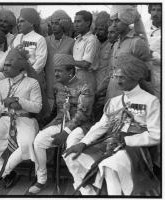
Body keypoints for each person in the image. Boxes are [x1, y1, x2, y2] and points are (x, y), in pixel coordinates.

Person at [63, 53, 160, 196]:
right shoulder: (115, 101)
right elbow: (102, 125)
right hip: (112, 142)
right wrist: (83, 143)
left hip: (136, 148)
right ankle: (89, 193)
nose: (118, 81)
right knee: (72, 156)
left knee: (109, 166)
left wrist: (126, 140)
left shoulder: (150, 101)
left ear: (135, 77)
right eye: (116, 76)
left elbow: (156, 135)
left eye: (123, 77)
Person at [0, 48, 42, 190]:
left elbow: (37, 107)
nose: (5, 68)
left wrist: (19, 100)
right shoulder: (1, 84)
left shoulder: (32, 83)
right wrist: (6, 103)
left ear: (19, 67)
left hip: (25, 121)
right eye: (5, 65)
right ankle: (7, 172)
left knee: (27, 143)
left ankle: (2, 172)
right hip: (4, 120)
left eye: (9, 65)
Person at [29, 54, 94, 194]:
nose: (56, 73)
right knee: (39, 141)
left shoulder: (85, 87)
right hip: (60, 122)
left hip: (80, 125)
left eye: (59, 71)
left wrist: (66, 132)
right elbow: (56, 111)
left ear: (70, 72)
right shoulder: (57, 86)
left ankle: (82, 182)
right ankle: (41, 180)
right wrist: (45, 123)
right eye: (55, 71)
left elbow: (83, 114)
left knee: (71, 143)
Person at [107, 5, 154, 100]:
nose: (113, 25)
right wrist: (99, 90)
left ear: (127, 19)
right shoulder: (116, 43)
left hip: (130, 97)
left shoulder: (137, 42)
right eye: (112, 21)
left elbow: (147, 73)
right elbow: (112, 72)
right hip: (112, 94)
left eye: (117, 20)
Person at [45, 10, 75, 109]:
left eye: (56, 23)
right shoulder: (46, 41)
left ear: (63, 24)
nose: (53, 26)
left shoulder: (71, 42)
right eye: (52, 23)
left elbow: (72, 66)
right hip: (49, 82)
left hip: (65, 84)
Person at [73, 10, 100, 92]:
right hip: (76, 75)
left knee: (84, 104)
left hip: (86, 77)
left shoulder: (91, 40)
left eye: (78, 21)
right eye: (75, 22)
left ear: (87, 23)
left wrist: (68, 60)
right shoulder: (77, 39)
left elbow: (86, 64)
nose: (76, 25)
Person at [144, 4, 161, 99]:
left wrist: (152, 54)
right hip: (144, 74)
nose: (155, 13)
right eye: (153, 9)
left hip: (159, 77)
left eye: (159, 10)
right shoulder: (146, 24)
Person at [93, 11, 111, 88]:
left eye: (101, 29)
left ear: (108, 29)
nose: (97, 32)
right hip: (91, 85)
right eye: (96, 29)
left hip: (105, 87)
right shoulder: (92, 42)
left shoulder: (113, 45)